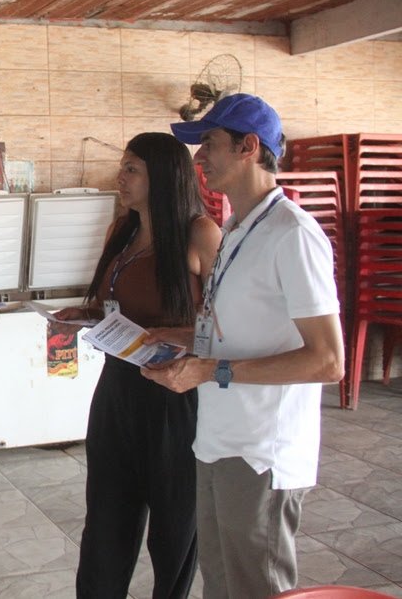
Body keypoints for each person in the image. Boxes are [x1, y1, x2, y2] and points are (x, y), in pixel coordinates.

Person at [142, 94, 345, 599]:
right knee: (221, 583)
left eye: (209, 143)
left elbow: (328, 360)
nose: (199, 158)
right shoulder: (236, 229)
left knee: (257, 586)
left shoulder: (293, 234)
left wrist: (211, 370)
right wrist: (182, 338)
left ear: (248, 147)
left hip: (262, 450)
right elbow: (244, 325)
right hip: (218, 439)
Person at [53, 133, 221, 599]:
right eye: (122, 167)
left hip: (174, 394)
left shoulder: (199, 233)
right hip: (118, 388)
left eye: (131, 169)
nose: (120, 177)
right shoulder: (121, 232)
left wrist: (175, 336)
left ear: (162, 176)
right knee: (107, 518)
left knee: (174, 526)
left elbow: (225, 325)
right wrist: (86, 314)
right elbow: (117, 306)